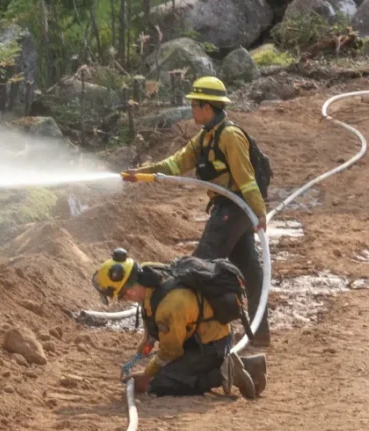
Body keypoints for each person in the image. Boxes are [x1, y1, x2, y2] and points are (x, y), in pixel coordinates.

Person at [123, 76, 271, 346]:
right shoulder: (205, 138)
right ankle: (259, 336)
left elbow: (246, 179)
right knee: (250, 270)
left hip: (234, 209)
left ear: (208, 107)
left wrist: (259, 214)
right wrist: (141, 174)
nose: (191, 109)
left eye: (194, 104)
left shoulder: (230, 136)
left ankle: (200, 335)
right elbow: (176, 164)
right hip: (230, 208)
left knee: (199, 269)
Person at [91, 248, 267, 399]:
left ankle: (222, 375)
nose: (125, 299)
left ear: (130, 290)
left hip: (209, 345)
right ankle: (250, 365)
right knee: (167, 370)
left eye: (122, 295)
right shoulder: (148, 273)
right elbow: (149, 310)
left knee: (161, 383)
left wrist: (147, 375)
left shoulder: (170, 306)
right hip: (199, 337)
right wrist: (146, 343)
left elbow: (171, 351)